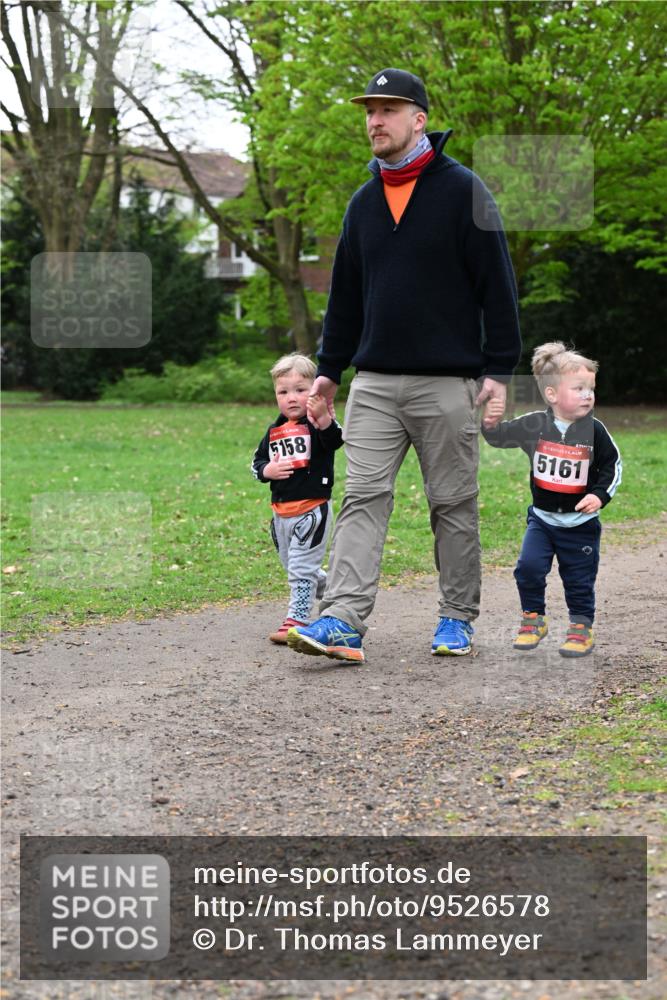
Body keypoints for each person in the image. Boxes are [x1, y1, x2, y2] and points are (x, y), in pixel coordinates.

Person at [286, 67, 521, 664]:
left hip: (448, 384)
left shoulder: (463, 190)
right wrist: (329, 369)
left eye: (388, 109)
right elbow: (344, 297)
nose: (375, 120)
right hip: (374, 385)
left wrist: (498, 368)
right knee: (362, 496)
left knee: (452, 503)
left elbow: (498, 285)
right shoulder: (363, 203)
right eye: (369, 110)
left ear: (419, 119)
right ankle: (341, 619)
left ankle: (456, 619)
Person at [481, 342, 622, 657]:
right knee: (528, 568)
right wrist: (489, 423)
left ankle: (580, 628)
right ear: (552, 395)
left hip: (580, 524)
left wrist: (599, 496)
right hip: (543, 520)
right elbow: (499, 436)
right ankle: (533, 619)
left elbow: (613, 467)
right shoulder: (535, 424)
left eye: (591, 389)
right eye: (579, 388)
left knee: (578, 578)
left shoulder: (596, 431)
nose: (588, 395)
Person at [251, 353, 343, 644]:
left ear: (314, 391)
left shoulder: (319, 423)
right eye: (283, 392)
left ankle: (297, 621)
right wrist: (269, 469)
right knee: (294, 566)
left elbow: (335, 441)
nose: (291, 398)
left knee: (301, 569)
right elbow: (257, 464)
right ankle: (337, 596)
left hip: (312, 508)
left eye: (300, 390)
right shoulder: (275, 430)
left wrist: (326, 419)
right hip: (281, 513)